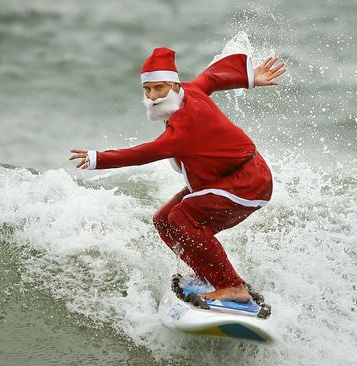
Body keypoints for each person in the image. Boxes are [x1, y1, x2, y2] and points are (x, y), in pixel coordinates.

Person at [69, 47, 285, 302]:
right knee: (164, 220)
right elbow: (213, 77)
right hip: (221, 178)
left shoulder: (184, 125)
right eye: (147, 90)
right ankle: (210, 276)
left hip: (248, 181)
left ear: (173, 84)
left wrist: (98, 158)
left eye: (159, 88)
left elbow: (147, 152)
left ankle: (231, 285)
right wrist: (248, 76)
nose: (152, 97)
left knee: (183, 216)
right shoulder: (188, 91)